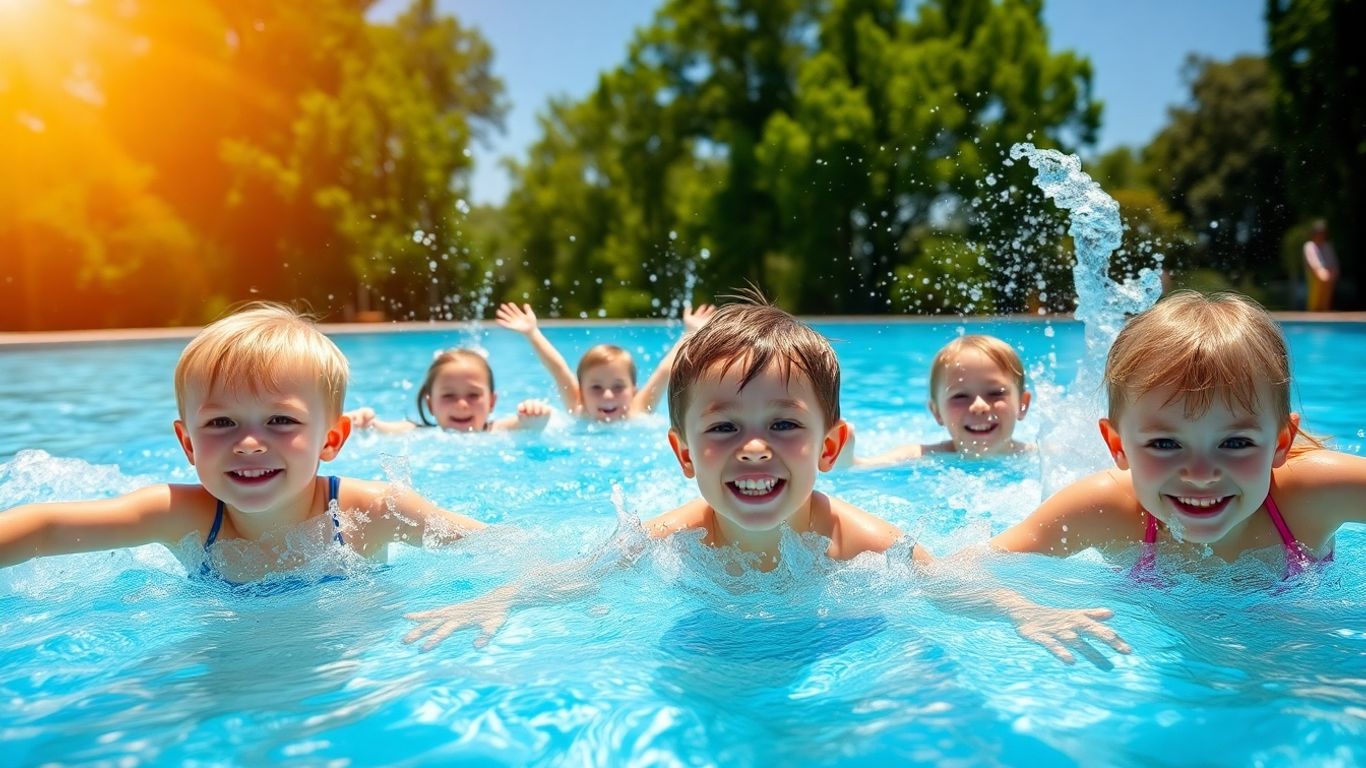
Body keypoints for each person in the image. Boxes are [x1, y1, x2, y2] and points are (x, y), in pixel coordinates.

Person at [406, 297, 1129, 663]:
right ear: (684, 455)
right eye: (723, 429)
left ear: (830, 446)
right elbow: (580, 576)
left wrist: (1021, 611)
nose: (754, 449)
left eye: (784, 425)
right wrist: (502, 596)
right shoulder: (669, 538)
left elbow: (947, 583)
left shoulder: (860, 541)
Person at [0, 303, 487, 583]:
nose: (250, 443)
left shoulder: (376, 513)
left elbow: (512, 552)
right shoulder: (182, 517)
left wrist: (490, 600)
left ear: (331, 439)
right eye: (220, 423)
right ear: (188, 444)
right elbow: (47, 528)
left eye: (280, 420)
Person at [991, 291, 1366, 577]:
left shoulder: (1313, 495)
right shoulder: (1107, 511)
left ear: (1281, 442)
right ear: (1118, 445)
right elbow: (971, 572)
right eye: (1165, 444)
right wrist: (1026, 611)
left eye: (1235, 443)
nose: (1201, 474)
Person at [495, 301, 714, 422]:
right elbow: (558, 369)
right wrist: (532, 333)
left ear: (634, 390)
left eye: (618, 387)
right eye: (596, 388)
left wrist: (690, 333)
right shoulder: (578, 407)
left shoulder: (638, 410)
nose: (608, 395)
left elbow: (665, 371)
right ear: (580, 391)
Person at [838, 335, 1032, 467]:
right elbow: (860, 468)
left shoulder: (1038, 458)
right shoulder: (921, 457)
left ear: (1023, 404)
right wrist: (844, 456)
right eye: (960, 396)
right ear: (937, 411)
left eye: (996, 393)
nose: (979, 406)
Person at [345, 348, 551, 434]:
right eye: (448, 395)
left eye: (473, 395)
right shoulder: (419, 432)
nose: (461, 405)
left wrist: (535, 416)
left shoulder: (497, 430)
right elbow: (381, 430)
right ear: (430, 404)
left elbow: (529, 426)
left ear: (491, 402)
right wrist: (365, 422)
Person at [1302, 220, 1339, 312]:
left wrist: (1332, 272)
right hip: (1315, 274)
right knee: (1316, 299)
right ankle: (1314, 310)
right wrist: (1322, 272)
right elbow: (1313, 263)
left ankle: (1325, 308)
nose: (1321, 235)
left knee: (1326, 299)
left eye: (1323, 233)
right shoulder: (1309, 245)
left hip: (1327, 272)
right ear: (1314, 234)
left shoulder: (1327, 246)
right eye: (1319, 233)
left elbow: (1333, 262)